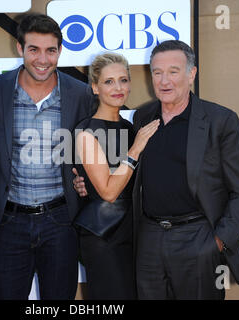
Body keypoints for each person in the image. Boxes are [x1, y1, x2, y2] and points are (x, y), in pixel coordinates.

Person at [74, 40, 239, 300]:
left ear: (191, 74)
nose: (164, 80)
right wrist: (84, 183)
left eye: (173, 71)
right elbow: (119, 173)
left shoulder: (220, 121)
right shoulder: (143, 118)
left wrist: (217, 242)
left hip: (197, 237)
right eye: (157, 72)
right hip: (147, 238)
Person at [0, 13, 94, 300]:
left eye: (50, 50)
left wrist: (84, 180)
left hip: (60, 221)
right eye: (34, 49)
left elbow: (87, 150)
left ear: (60, 51)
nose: (42, 59)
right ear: (20, 48)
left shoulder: (79, 93)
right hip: (9, 222)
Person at [73, 53, 159, 299]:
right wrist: (135, 149)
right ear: (95, 87)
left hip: (134, 233)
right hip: (104, 236)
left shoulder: (130, 128)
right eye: (109, 81)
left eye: (123, 80)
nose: (118, 87)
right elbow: (109, 192)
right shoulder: (87, 132)